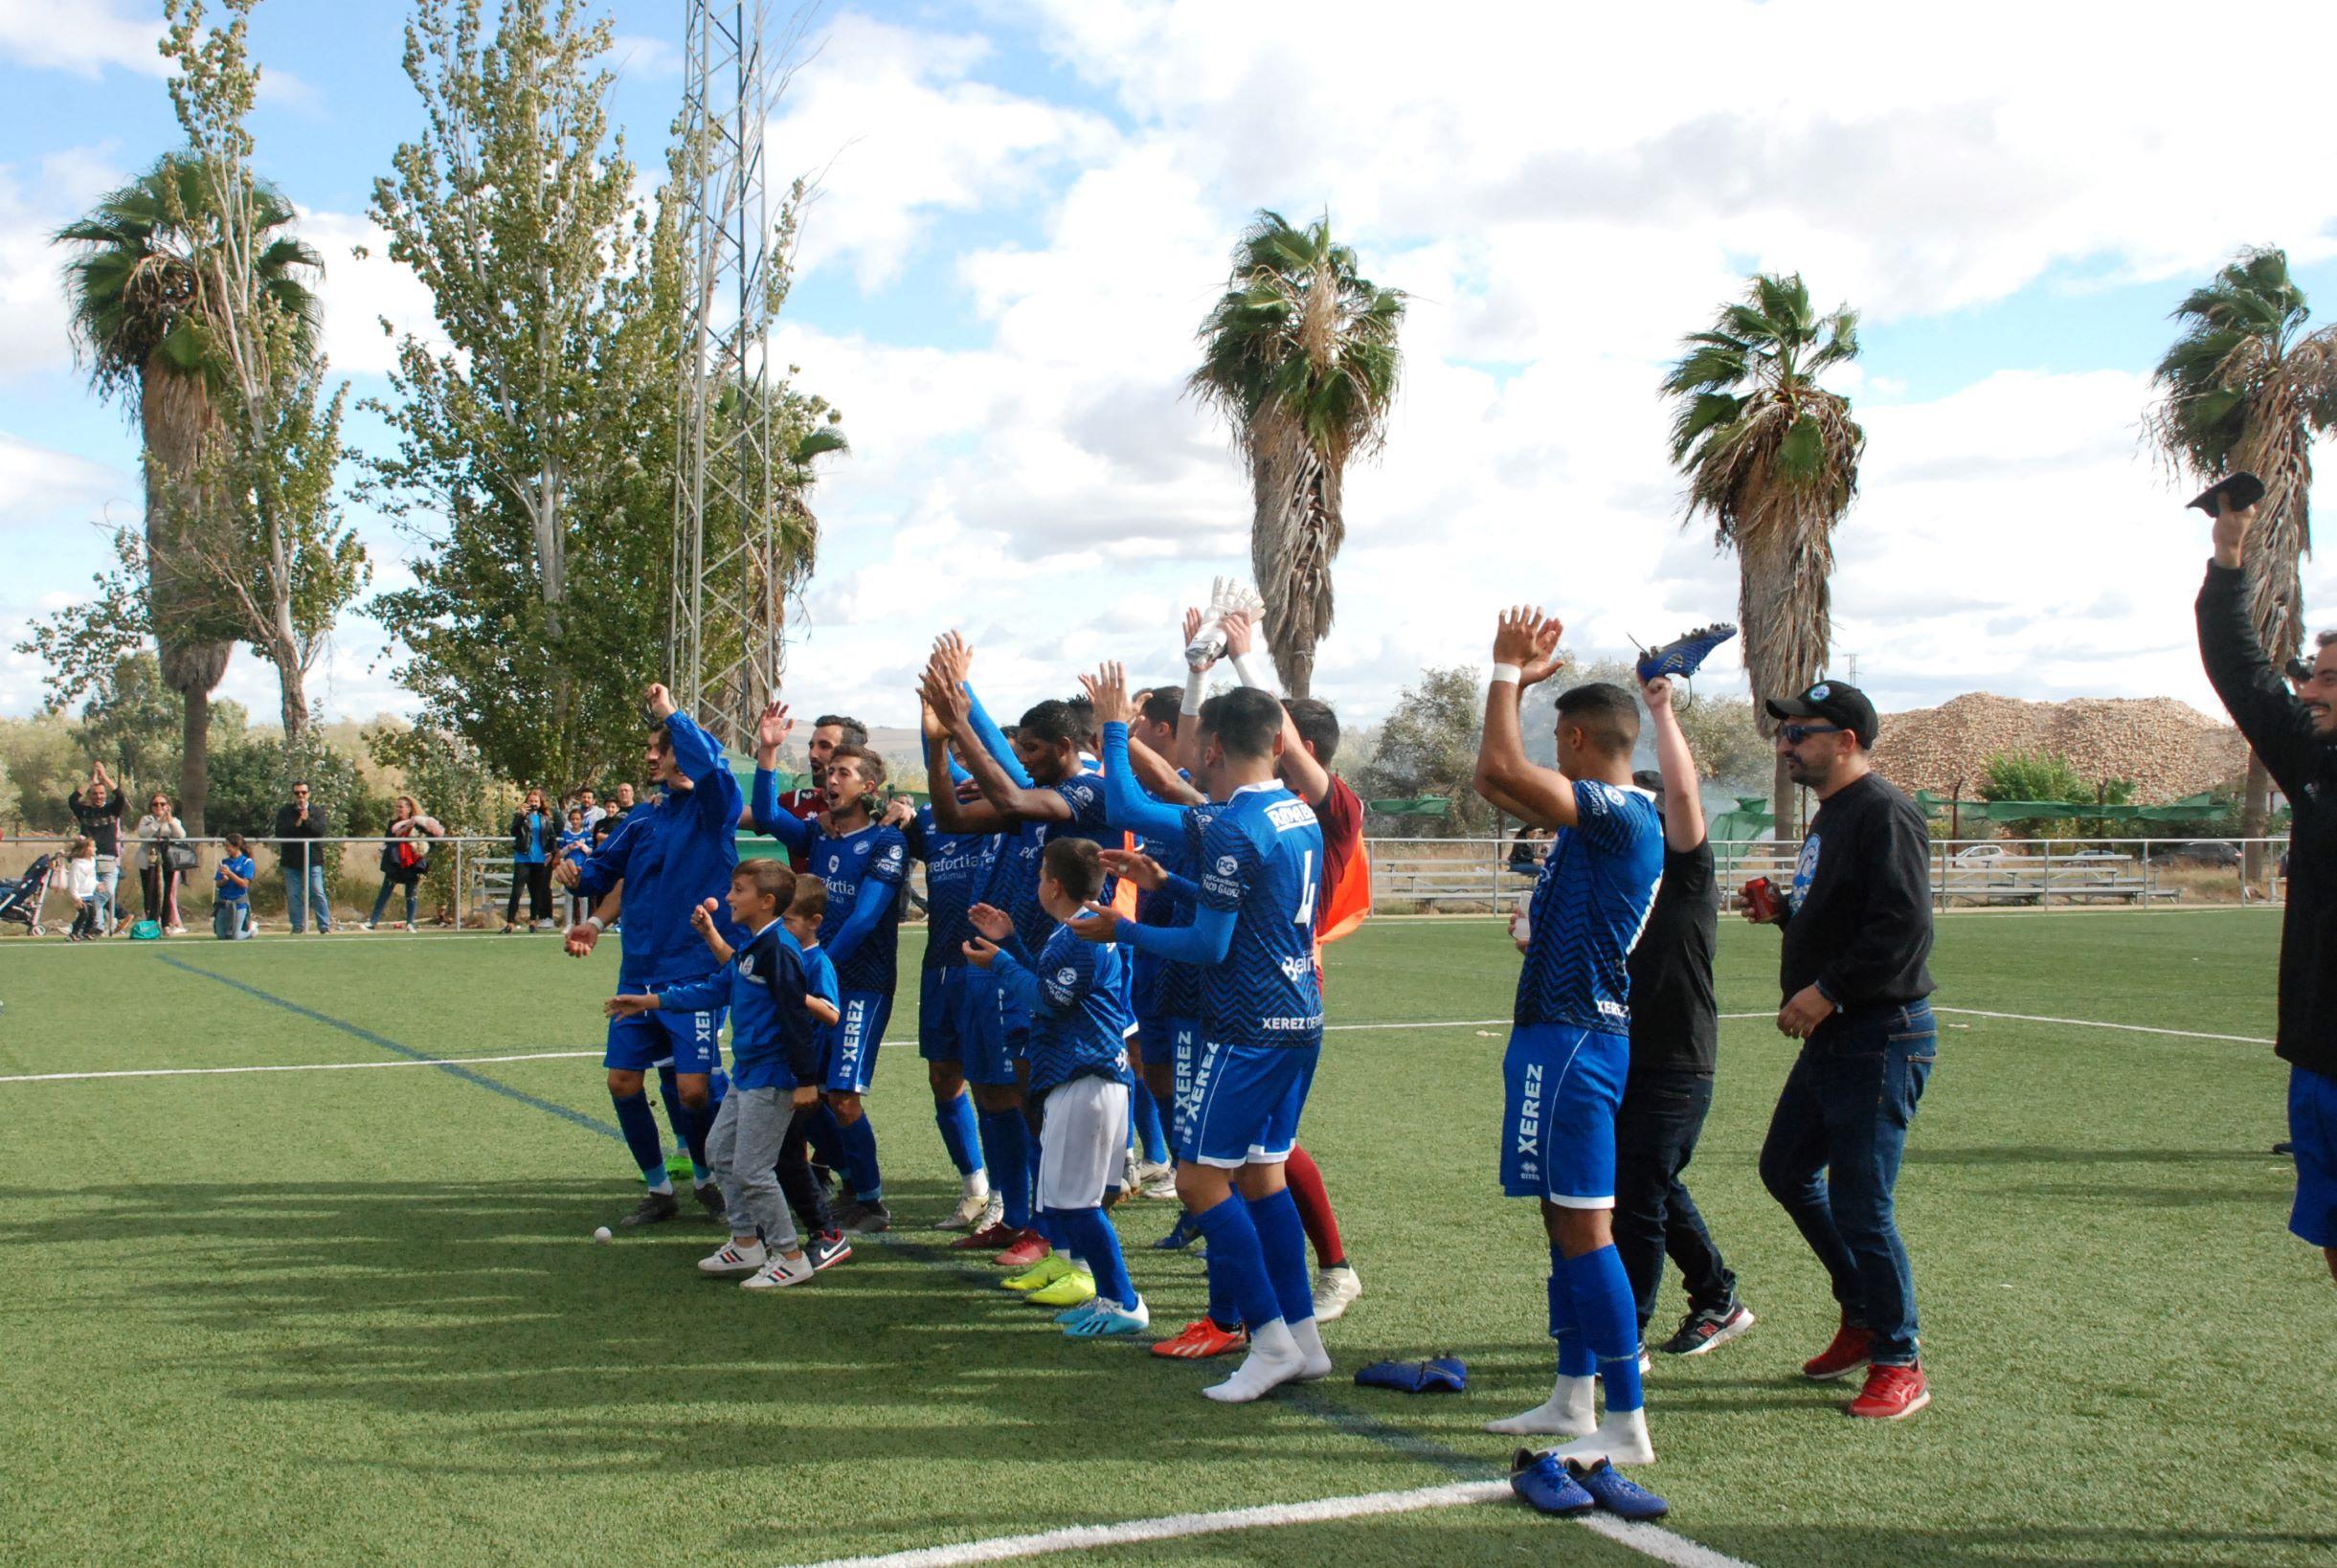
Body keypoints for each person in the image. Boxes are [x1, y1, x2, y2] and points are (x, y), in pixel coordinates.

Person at [1078, 682, 1328, 1402]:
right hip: (1298, 1018)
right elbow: (1253, 908)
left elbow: (1207, 947)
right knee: (1262, 1176)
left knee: (1198, 1181)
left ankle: (1270, 1341)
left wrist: (1120, 927)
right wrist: (1167, 881)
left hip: (1245, 1026)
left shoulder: (1230, 825)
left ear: (1211, 748)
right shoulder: (1294, 813)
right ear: (1278, 744)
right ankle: (1303, 1340)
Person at [1472, 608, 1666, 1471]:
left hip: (1577, 1043)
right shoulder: (1605, 819)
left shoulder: (1621, 812)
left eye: (1560, 739)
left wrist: (1506, 671)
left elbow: (1497, 765)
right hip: (1558, 1037)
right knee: (1562, 1221)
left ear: (1580, 738)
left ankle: (1624, 1419)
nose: (1552, 753)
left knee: (1587, 1228)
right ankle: (1571, 1395)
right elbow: (1496, 781)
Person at [1749, 676, 1938, 1422]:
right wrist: (1785, 913)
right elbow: (1849, 914)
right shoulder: (1832, 815)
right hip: (1839, 1035)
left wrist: (1825, 988)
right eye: (1784, 732)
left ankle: (1900, 1356)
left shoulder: (1883, 811)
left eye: (1800, 732)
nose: (1785, 743)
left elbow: (1901, 929)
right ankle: (1861, 1313)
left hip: (1879, 1034)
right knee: (1786, 1171)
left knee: (1864, 1204)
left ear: (1846, 741)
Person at [921, 648, 1117, 1272]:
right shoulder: (1032, 798)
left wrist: (960, 715)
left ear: (1063, 745)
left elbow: (1007, 786)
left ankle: (1051, 1230)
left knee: (1038, 1103)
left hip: (1054, 968)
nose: (1023, 759)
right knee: (992, 1094)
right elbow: (951, 814)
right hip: (1001, 965)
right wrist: (936, 747)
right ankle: (1014, 1217)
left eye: (1031, 749)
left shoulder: (1084, 792)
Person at [2195, 492, 2337, 1285]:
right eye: (2313, 676)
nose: (2310, 692)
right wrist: (2226, 557)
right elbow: (2243, 675)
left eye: (2328, 680)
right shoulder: (2316, 765)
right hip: (2320, 1059)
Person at [557, 683, 746, 1227]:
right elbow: (600, 873)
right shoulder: (643, 817)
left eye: (661, 749)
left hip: (695, 973)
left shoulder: (715, 806)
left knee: (693, 1091)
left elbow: (712, 769)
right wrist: (574, 875)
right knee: (622, 1081)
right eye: (654, 751)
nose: (653, 759)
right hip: (638, 970)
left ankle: (714, 1178)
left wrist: (671, 714)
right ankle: (659, 1189)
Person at [608, 861, 828, 1290]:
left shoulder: (779, 951)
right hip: (747, 1072)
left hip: (772, 1075)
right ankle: (746, 1242)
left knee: (752, 1169)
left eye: (738, 890)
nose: (728, 897)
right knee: (719, 1152)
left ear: (766, 902)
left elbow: (797, 1018)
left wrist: (805, 1080)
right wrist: (648, 1002)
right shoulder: (752, 947)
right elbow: (714, 989)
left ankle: (790, 1254)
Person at [965, 836, 1149, 1338]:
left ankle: (1123, 1299)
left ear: (1055, 885)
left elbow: (1048, 1002)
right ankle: (1104, 1289)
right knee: (1070, 1199)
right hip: (1086, 1080)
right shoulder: (1072, 931)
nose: (1037, 881)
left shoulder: (1079, 937)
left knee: (1077, 1204)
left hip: (1084, 1079)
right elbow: (1052, 983)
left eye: (1042, 873)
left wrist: (999, 962)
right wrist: (1009, 942)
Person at [1615, 683, 1752, 1359]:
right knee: (1646, 1184)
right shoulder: (1619, 881)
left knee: (1637, 1196)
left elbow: (1684, 797)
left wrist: (1661, 712)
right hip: (1619, 1052)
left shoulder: (1687, 869)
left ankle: (1625, 1338)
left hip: (1676, 1057)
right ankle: (1717, 1295)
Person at [750, 720, 910, 1235]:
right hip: (817, 981)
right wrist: (768, 753)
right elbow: (771, 814)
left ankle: (871, 1201)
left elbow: (865, 919)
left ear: (868, 787)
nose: (830, 779)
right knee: (809, 1093)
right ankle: (847, 1178)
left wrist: (816, 967)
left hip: (860, 983)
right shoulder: (817, 833)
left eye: (843, 772)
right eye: (829, 771)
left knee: (842, 1097)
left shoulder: (887, 842)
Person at [897, 703, 1003, 1232]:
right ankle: (974, 1183)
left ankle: (1008, 1193)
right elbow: (941, 766)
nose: (966, 770)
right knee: (944, 1077)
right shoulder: (939, 816)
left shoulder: (1007, 818)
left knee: (993, 1083)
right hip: (939, 965)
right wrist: (931, 731)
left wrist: (945, 725)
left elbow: (980, 767)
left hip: (986, 967)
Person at [368, 795, 445, 931]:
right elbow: (390, 837)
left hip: (412, 862)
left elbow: (432, 838)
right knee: (385, 892)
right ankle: (372, 922)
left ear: (409, 808)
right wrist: (406, 827)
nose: (398, 809)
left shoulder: (420, 823)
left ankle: (410, 923)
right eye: (396, 806)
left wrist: (422, 848)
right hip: (396, 861)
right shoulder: (394, 823)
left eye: (401, 807)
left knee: (411, 892)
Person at [68, 764, 124, 935]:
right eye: (95, 794)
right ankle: (95, 927)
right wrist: (91, 780)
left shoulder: (112, 810)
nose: (98, 796)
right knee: (90, 894)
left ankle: (88, 922)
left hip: (108, 858)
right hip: (88, 860)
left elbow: (120, 796)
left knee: (106, 891)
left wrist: (105, 777)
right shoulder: (84, 811)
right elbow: (72, 799)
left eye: (101, 793)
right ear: (90, 796)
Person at [275, 781, 331, 933]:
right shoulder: (285, 812)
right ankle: (298, 926)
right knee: (294, 895)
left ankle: (324, 926)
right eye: (297, 793)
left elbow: (319, 831)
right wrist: (298, 823)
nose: (300, 796)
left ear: (309, 794)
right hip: (291, 860)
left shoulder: (317, 811)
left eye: (303, 792)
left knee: (317, 892)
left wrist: (307, 821)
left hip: (313, 860)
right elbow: (280, 832)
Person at [136, 791, 190, 934]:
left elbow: (181, 835)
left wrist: (169, 820)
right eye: (155, 804)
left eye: (162, 804)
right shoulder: (146, 819)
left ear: (168, 806)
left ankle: (167, 923)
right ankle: (152, 921)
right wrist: (158, 822)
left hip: (169, 859)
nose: (159, 807)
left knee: (168, 891)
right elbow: (143, 833)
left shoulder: (174, 820)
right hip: (150, 860)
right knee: (150, 890)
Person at [505, 787, 556, 932]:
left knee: (536, 892)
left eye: (536, 801)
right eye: (530, 801)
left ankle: (533, 921)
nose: (533, 803)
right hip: (523, 858)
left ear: (540, 803)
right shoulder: (520, 817)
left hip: (539, 860)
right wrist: (521, 816)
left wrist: (551, 853)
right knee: (516, 892)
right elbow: (513, 831)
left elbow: (552, 838)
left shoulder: (544, 819)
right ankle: (510, 923)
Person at [557, 808, 595, 927]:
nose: (575, 821)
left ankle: (583, 923)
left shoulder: (587, 835)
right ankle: (568, 924)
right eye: (573, 819)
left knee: (583, 898)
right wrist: (569, 847)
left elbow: (591, 852)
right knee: (569, 897)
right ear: (569, 820)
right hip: (569, 868)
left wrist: (582, 846)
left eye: (577, 819)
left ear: (581, 820)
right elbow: (560, 853)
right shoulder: (565, 834)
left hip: (582, 868)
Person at [213, 834, 256, 939]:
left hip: (239, 902)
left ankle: (252, 930)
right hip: (224, 902)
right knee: (221, 936)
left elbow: (244, 884)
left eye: (228, 846)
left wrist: (230, 874)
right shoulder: (225, 862)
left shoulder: (247, 862)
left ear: (236, 847)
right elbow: (218, 883)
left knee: (235, 936)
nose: (226, 849)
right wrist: (223, 880)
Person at [65, 837, 100, 941]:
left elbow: (91, 877)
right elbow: (73, 881)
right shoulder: (77, 864)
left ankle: (87, 932)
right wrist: (76, 896)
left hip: (89, 893)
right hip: (80, 895)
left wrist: (97, 884)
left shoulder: (92, 861)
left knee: (92, 914)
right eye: (92, 847)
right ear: (85, 849)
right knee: (84, 914)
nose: (95, 849)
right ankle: (74, 933)